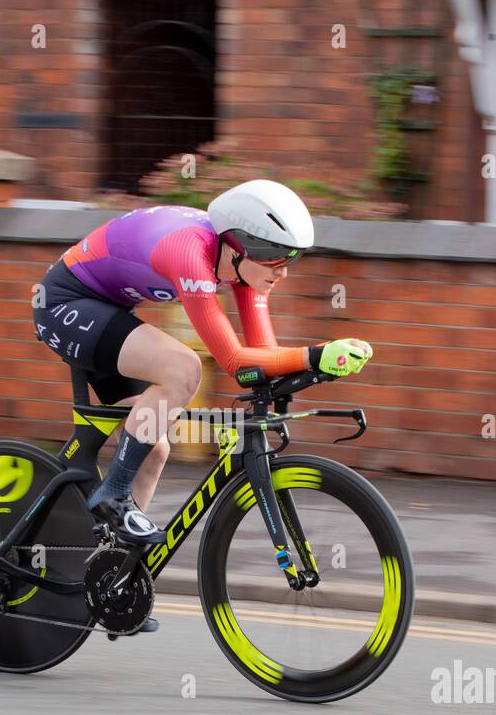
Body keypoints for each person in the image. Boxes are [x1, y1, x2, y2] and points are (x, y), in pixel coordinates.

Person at [32, 179, 372, 549]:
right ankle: (112, 494)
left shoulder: (240, 266)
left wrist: (316, 368)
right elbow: (235, 361)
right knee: (182, 368)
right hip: (63, 305)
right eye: (278, 256)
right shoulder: (189, 251)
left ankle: (109, 573)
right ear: (242, 245)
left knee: (153, 449)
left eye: (293, 258)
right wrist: (313, 353)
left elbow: (263, 355)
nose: (284, 270)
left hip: (106, 311)